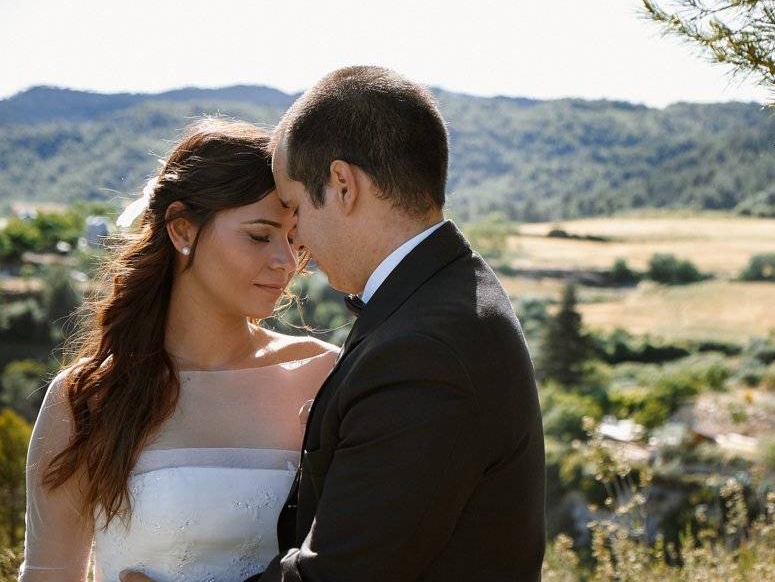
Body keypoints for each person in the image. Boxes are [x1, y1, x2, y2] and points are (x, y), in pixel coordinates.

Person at [124, 65, 547, 581]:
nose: (295, 242)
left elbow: (343, 572)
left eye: (296, 208)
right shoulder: (445, 300)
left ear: (343, 185)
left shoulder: (426, 346)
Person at [18, 119, 339, 581]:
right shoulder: (88, 398)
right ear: (182, 230)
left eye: (293, 239)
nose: (286, 262)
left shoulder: (322, 373)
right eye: (259, 234)